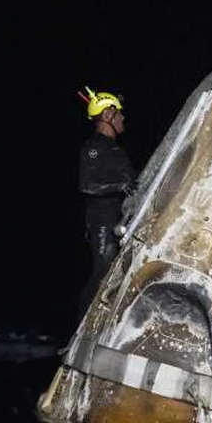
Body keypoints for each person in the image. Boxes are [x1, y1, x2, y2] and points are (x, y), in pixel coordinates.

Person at [77, 86, 137, 311]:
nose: (122, 117)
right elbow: (87, 185)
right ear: (107, 115)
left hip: (120, 218)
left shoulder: (115, 149)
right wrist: (119, 185)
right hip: (102, 221)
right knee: (103, 270)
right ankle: (81, 324)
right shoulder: (94, 147)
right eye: (118, 113)